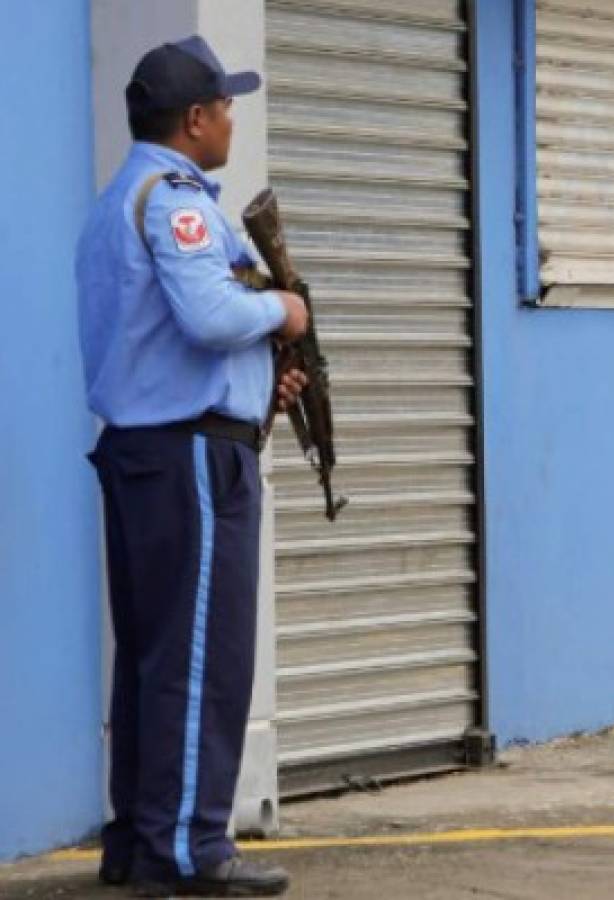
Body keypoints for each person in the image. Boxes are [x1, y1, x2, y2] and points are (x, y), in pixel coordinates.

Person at [76, 35, 309, 896]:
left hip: (151, 454)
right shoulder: (175, 198)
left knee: (153, 653)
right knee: (201, 656)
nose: (233, 119)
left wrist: (260, 382)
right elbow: (210, 314)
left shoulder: (117, 198)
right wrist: (283, 310)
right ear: (196, 118)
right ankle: (188, 849)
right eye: (226, 104)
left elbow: (169, 337)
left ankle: (140, 842)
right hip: (187, 462)